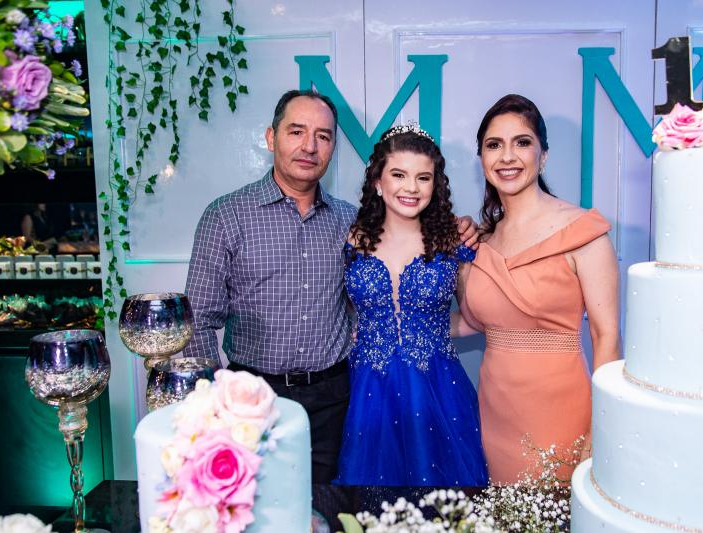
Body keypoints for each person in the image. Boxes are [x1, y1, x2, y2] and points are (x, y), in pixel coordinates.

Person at [183, 90, 478, 483]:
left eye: (322, 136)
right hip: (254, 398)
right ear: (271, 137)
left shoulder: (351, 224)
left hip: (336, 399)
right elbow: (198, 321)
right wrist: (215, 406)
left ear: (333, 147)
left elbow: (378, 294)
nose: (309, 146)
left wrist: (463, 229)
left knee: (336, 504)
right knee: (258, 503)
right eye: (296, 131)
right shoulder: (226, 215)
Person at [459, 94, 620, 484]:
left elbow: (607, 337)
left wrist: (603, 428)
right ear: (482, 159)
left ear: (543, 156)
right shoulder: (479, 241)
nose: (507, 156)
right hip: (493, 415)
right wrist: (391, 323)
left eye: (522, 142)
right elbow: (472, 323)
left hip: (561, 413)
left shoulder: (583, 232)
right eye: (494, 145)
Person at [335, 124, 488, 486]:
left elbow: (474, 319)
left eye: (423, 177)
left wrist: (426, 330)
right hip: (368, 388)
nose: (411, 187)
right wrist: (368, 328)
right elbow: (343, 307)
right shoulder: (351, 239)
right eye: (399, 175)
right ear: (378, 181)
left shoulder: (453, 242)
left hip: (437, 386)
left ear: (435, 186)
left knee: (444, 499)